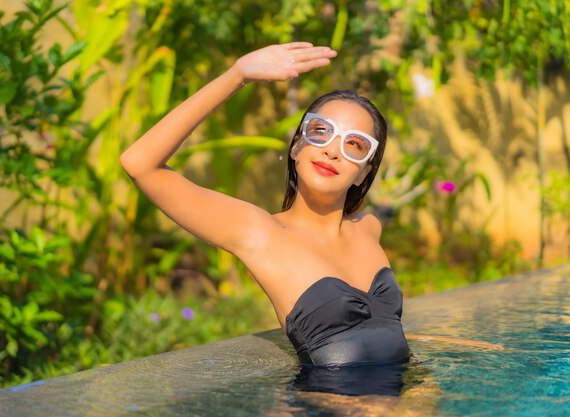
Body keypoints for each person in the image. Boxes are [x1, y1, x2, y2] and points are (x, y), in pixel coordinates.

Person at [119, 43, 503, 374]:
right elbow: (140, 163)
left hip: (407, 394)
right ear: (296, 146)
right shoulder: (261, 233)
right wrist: (238, 75)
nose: (333, 149)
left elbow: (378, 329)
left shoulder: (369, 228)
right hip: (334, 405)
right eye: (321, 131)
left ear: (362, 174)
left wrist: (451, 344)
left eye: (355, 144)